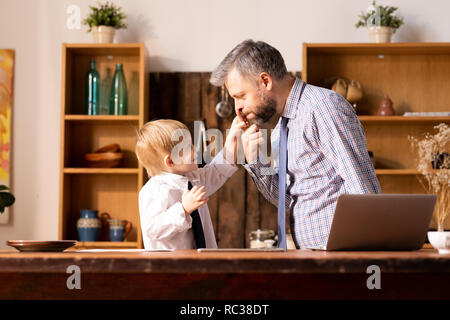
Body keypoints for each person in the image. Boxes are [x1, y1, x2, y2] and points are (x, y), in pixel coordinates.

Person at [210, 39, 382, 249]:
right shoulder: (282, 126)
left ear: (265, 81)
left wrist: (370, 260)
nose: (238, 108)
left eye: (240, 96)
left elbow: (362, 187)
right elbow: (284, 200)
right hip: (311, 256)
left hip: (342, 257)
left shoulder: (323, 108)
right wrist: (255, 160)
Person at [135, 118, 244, 249]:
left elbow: (217, 170)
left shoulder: (193, 179)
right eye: (188, 147)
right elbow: (153, 229)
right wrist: (183, 210)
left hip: (202, 262)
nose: (195, 149)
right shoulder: (153, 190)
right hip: (172, 267)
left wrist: (232, 137)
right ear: (170, 161)